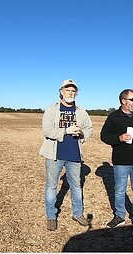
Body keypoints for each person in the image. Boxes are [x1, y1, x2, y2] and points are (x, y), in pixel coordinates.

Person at [39, 79, 93, 231]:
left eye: (73, 91)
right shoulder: (51, 109)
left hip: (74, 155)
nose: (71, 93)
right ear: (61, 92)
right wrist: (66, 131)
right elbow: (47, 131)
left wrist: (82, 133)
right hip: (54, 154)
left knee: (76, 186)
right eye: (67, 90)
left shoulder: (81, 111)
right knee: (51, 186)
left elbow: (89, 128)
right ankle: (51, 216)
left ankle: (78, 214)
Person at [100, 89, 133, 237]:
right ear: (123, 101)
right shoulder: (114, 117)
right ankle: (119, 216)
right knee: (119, 190)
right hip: (121, 162)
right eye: (132, 99)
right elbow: (104, 136)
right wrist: (119, 138)